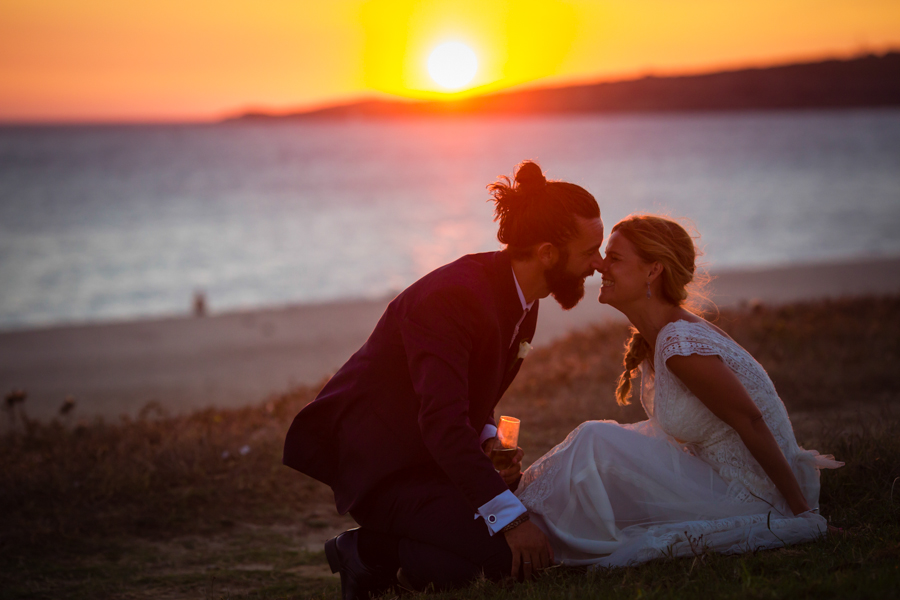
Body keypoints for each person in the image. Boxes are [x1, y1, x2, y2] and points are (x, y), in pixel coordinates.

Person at [283, 160, 605, 598]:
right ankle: (366, 551)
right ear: (548, 253)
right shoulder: (451, 299)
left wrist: (488, 438)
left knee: (530, 547)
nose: (597, 263)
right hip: (385, 470)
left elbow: (470, 394)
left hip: (435, 462)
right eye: (590, 251)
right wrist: (510, 520)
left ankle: (380, 554)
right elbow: (442, 424)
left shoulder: (524, 297)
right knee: (512, 559)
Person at [516, 214, 843, 567]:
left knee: (595, 440)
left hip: (752, 493)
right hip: (712, 474)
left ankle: (519, 525)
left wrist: (803, 514)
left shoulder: (680, 343)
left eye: (615, 258)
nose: (600, 267)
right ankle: (516, 513)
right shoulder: (664, 333)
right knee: (599, 445)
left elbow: (751, 420)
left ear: (652, 271)